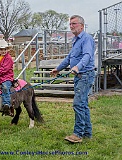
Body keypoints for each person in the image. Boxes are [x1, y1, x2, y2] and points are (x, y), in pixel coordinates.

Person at [50, 15, 95, 143]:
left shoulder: (86, 39)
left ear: (82, 25)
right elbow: (69, 58)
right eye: (70, 24)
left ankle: (78, 134)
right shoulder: (76, 40)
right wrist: (58, 69)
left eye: (74, 24)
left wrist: (77, 67)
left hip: (85, 75)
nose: (71, 26)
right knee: (83, 105)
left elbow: (87, 56)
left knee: (78, 104)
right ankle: (87, 133)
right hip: (80, 76)